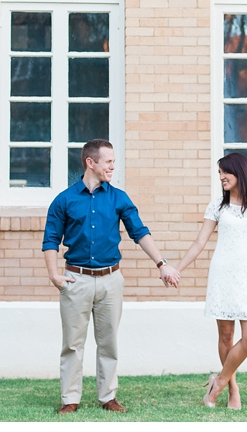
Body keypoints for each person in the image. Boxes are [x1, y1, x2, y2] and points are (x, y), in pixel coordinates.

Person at [42, 138, 180, 414]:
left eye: (113, 161)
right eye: (108, 161)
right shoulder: (64, 200)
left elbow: (139, 232)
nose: (112, 167)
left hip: (111, 280)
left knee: (108, 342)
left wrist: (161, 263)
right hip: (75, 279)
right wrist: (54, 275)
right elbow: (51, 239)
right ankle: (70, 399)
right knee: (72, 343)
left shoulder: (119, 198)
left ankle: (108, 397)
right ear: (90, 163)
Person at [172, 152, 247, 410]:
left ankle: (217, 382)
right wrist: (178, 268)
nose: (221, 178)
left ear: (239, 172)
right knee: (226, 336)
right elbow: (200, 242)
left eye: (225, 173)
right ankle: (232, 389)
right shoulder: (217, 206)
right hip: (223, 276)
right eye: (219, 173)